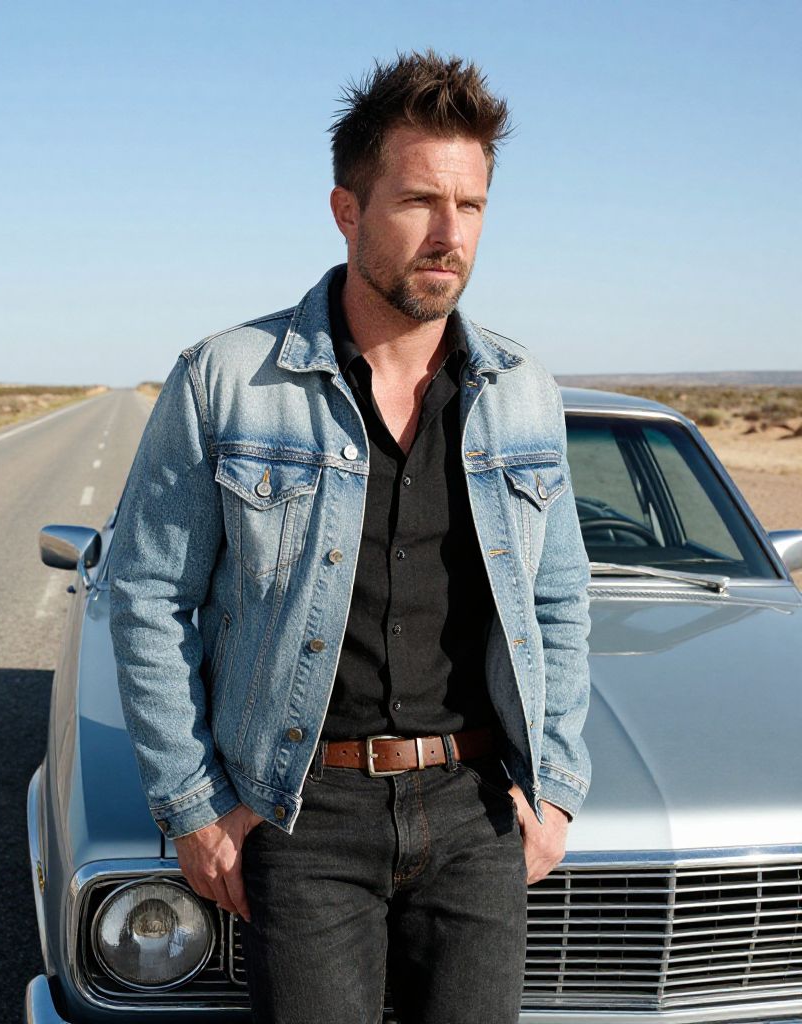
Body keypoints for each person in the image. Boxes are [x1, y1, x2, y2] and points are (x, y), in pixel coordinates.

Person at [108, 49, 592, 1024]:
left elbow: (558, 596)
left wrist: (561, 788)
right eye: (418, 200)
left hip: (475, 810)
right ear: (347, 209)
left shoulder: (522, 387)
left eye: (472, 206)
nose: (448, 234)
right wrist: (195, 807)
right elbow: (148, 596)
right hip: (304, 812)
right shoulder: (225, 380)